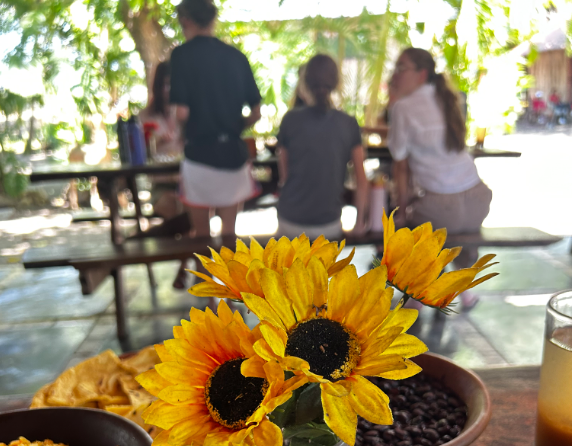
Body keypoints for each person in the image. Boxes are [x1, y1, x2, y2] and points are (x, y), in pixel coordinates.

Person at [387, 48, 492, 309]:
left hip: (443, 207)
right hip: (478, 198)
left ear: (421, 74)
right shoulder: (446, 98)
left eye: (402, 68)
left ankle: (417, 295)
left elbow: (400, 165)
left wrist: (401, 210)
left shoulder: (403, 106)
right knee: (455, 231)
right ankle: (464, 290)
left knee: (408, 227)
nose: (396, 74)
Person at [169, 0, 261, 287]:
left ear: (185, 20)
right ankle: (230, 294)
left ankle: (207, 297)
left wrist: (181, 131)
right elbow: (256, 111)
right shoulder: (236, 56)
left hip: (199, 155)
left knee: (202, 237)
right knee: (229, 236)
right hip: (233, 155)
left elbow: (181, 112)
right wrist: (236, 127)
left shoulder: (181, 56)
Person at [276, 54, 368, 240]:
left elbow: (284, 175)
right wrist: (359, 224)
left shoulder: (290, 120)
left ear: (305, 83)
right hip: (327, 225)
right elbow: (361, 180)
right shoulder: (348, 123)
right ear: (336, 83)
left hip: (290, 221)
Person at [140, 61, 184, 220]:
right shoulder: (145, 117)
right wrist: (155, 142)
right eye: (166, 84)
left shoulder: (184, 113)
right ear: (157, 87)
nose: (170, 89)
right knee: (170, 204)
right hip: (161, 184)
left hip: (189, 182)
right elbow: (140, 156)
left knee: (193, 205)